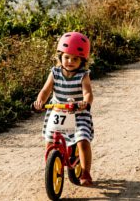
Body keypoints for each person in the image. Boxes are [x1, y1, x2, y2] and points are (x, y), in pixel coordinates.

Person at [33, 32, 96, 186]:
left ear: (83, 60)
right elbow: (46, 90)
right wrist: (40, 101)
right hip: (58, 111)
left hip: (78, 113)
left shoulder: (83, 75)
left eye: (75, 59)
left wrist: (85, 102)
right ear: (60, 56)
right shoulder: (54, 73)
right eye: (67, 57)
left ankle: (85, 172)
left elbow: (88, 92)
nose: (70, 61)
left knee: (82, 139)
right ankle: (51, 167)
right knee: (49, 139)